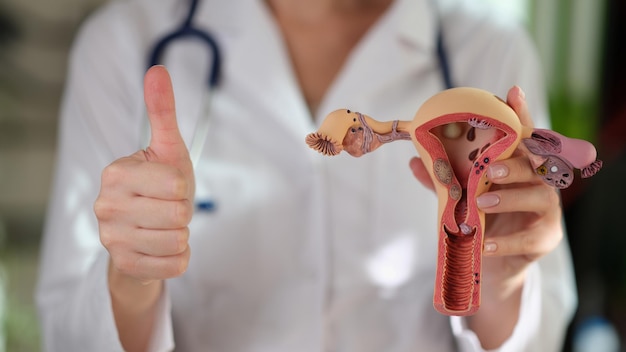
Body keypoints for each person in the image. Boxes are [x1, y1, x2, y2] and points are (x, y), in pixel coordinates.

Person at [35, 0, 577, 351]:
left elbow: (539, 336)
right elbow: (68, 335)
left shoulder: (490, 51)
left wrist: (503, 279)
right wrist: (131, 277)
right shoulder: (123, 45)